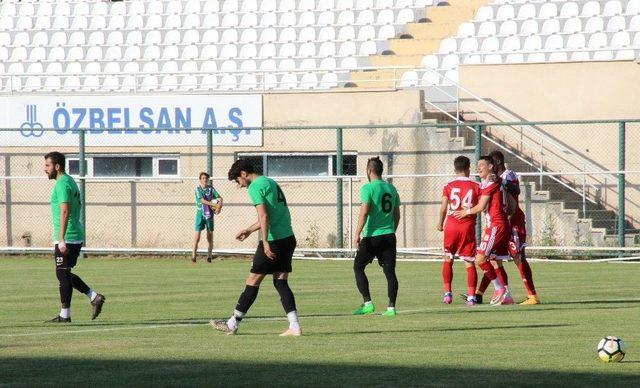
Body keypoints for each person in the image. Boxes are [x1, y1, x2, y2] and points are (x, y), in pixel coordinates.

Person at [211, 159, 300, 336]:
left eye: (238, 181)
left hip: (274, 241)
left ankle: (232, 323)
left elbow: (264, 216)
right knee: (280, 281)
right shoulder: (269, 182)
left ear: (244, 174)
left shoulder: (254, 187)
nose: (240, 185)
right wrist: (250, 230)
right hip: (288, 238)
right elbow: (272, 215)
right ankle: (295, 326)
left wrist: (265, 242)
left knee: (253, 281)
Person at [44, 152, 105, 323]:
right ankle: (94, 297)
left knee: (62, 274)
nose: (45, 169)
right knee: (64, 273)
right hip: (73, 233)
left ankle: (65, 315)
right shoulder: (69, 180)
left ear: (57, 166)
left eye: (48, 166)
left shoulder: (62, 184)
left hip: (68, 235)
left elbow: (65, 210)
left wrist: (61, 238)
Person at [453, 156, 513, 306]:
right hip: (501, 224)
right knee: (495, 262)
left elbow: (480, 207)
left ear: (491, 166)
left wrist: (465, 212)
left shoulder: (492, 182)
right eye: (477, 165)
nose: (478, 168)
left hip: (496, 226)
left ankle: (500, 290)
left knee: (480, 259)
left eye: (482, 165)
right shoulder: (492, 182)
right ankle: (507, 296)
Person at [489, 150, 540, 305]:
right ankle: (505, 294)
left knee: (518, 257)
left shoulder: (509, 175)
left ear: (497, 163)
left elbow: (516, 190)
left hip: (514, 223)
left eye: (490, 164)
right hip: (501, 223)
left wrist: (500, 181)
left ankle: (532, 296)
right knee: (493, 258)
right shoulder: (494, 179)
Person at [352, 157, 401, 316]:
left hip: (372, 236)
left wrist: (357, 233)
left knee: (358, 266)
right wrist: (391, 230)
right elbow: (397, 214)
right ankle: (391, 308)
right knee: (390, 272)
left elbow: (364, 212)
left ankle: (368, 303)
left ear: (368, 171)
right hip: (389, 236)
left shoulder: (368, 188)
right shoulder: (392, 189)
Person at [437, 156, 481, 306]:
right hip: (467, 226)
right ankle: (471, 297)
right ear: (469, 168)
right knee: (469, 263)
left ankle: (447, 294)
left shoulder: (448, 185)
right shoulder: (476, 185)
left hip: (451, 225)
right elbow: (482, 206)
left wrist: (440, 223)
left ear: (455, 169)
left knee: (448, 259)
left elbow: (443, 207)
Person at [192, 172, 223, 263]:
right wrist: (214, 204)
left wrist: (219, 206)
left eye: (206, 178)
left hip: (209, 215)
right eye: (203, 178)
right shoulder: (198, 189)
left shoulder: (211, 189)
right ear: (200, 179)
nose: (205, 180)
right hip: (200, 215)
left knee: (209, 236)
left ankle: (209, 256)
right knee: (197, 236)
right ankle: (194, 255)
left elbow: (220, 198)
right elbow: (202, 201)